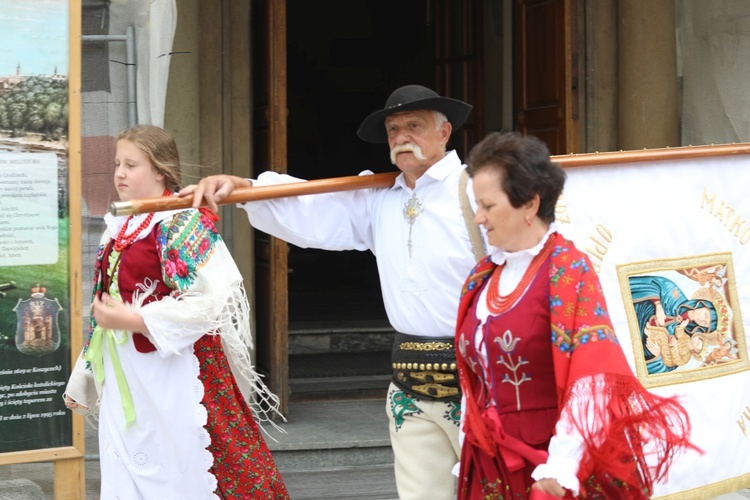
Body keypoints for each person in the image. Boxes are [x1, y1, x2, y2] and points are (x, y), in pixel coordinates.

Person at [180, 84, 483, 499]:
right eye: (394, 129)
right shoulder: (381, 196)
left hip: (479, 378)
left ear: (445, 132)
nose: (401, 137)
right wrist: (243, 186)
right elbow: (315, 208)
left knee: (492, 489)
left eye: (414, 125)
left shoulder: (478, 190)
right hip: (409, 382)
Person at [454, 132, 697, 499]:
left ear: (529, 204)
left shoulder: (567, 270)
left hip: (551, 464)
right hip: (490, 463)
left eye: (487, 205)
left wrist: (562, 466)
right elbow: (476, 383)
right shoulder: (482, 277)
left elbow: (593, 378)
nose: (478, 217)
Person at [63, 125, 289, 499]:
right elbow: (103, 312)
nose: (119, 172)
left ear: (160, 171)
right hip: (127, 373)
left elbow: (209, 301)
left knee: (184, 463)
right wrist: (84, 374)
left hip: (177, 366)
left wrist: (137, 320)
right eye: (118, 163)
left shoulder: (182, 220)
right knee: (129, 463)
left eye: (131, 164)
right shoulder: (118, 225)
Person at [628, 275, 725, 374]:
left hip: (636, 343)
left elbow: (670, 365)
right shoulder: (676, 295)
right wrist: (658, 305)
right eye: (705, 315)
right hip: (633, 311)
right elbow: (656, 284)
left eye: (705, 323)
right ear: (702, 304)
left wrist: (658, 354)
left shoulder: (686, 336)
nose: (702, 320)